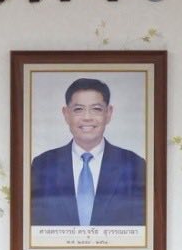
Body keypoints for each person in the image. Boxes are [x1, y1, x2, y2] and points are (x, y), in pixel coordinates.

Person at [28, 77, 147, 228]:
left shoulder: (134, 165)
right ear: (66, 114)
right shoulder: (43, 165)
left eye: (96, 109)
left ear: (108, 113)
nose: (87, 118)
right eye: (78, 109)